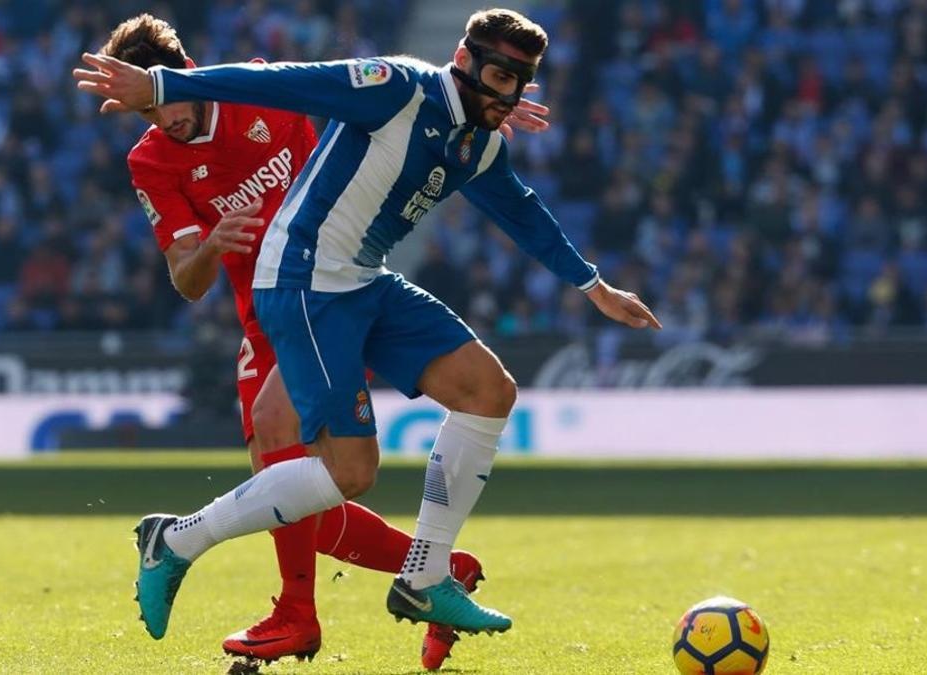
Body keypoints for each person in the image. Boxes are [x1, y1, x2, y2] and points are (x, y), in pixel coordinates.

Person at [74, 6, 659, 649]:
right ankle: (193, 550)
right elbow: (286, 84)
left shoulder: (474, 137)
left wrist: (591, 284)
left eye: (517, 84)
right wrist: (161, 94)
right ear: (463, 63)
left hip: (358, 279)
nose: (508, 94)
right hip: (300, 284)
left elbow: (520, 209)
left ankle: (424, 574)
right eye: (496, 76)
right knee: (337, 472)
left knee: (488, 392)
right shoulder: (384, 86)